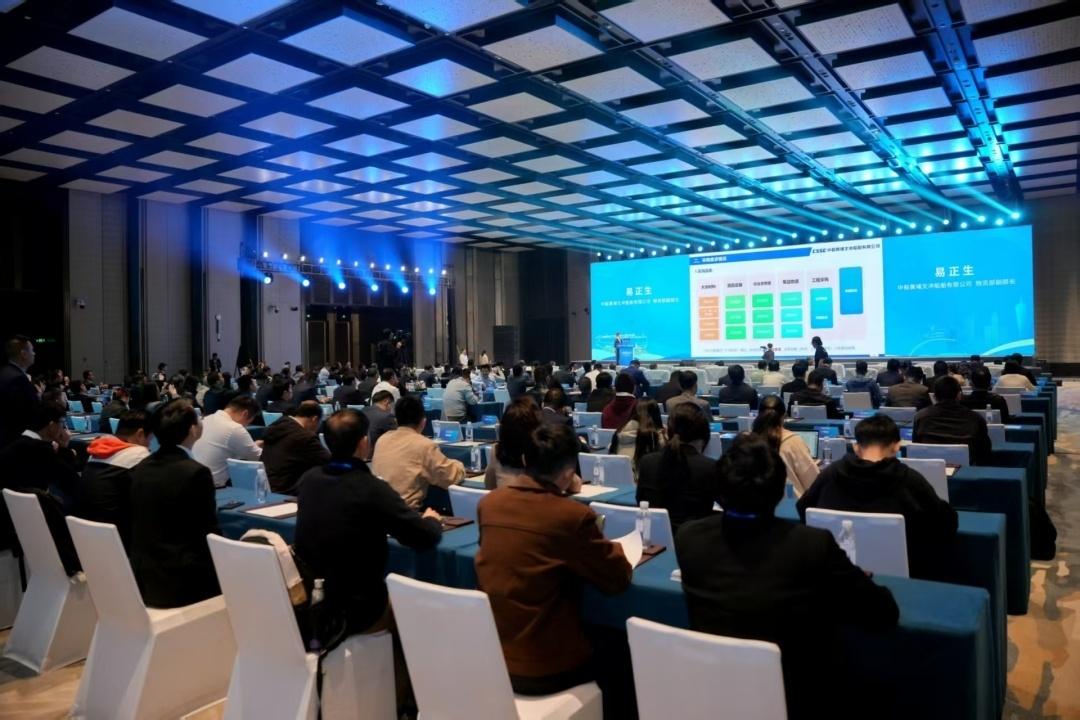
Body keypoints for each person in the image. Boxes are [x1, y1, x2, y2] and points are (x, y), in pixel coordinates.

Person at [677, 434, 898, 720]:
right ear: (781, 491)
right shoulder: (812, 545)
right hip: (798, 697)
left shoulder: (688, 537)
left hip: (711, 692)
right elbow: (882, 611)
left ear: (718, 489)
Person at [475, 423, 632, 696]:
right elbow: (617, 578)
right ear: (569, 473)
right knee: (619, 650)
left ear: (525, 460)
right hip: (545, 666)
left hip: (493, 653)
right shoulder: (571, 516)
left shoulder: (489, 504)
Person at [295, 409, 442, 637]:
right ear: (364, 443)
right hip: (357, 607)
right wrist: (432, 520)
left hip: (315, 598)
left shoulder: (308, 479)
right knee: (418, 608)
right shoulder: (371, 488)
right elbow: (422, 537)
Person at [798, 414, 958, 579]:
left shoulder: (830, 474)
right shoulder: (910, 480)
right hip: (904, 578)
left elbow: (803, 508)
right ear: (896, 447)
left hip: (835, 575)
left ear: (856, 447)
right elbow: (945, 524)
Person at [129, 399, 221, 608]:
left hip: (143, 577)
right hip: (180, 583)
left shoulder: (142, 466)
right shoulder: (195, 473)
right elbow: (208, 533)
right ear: (193, 430)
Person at [0, 401, 81, 561]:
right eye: (62, 423)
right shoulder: (40, 449)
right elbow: (71, 480)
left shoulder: (17, 443)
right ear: (51, 425)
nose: (64, 429)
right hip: (31, 524)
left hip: (12, 517)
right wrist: (65, 445)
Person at [371, 396, 465, 509]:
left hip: (377, 510)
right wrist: (459, 465)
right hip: (405, 514)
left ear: (396, 421)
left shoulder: (382, 440)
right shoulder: (424, 445)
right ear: (423, 422)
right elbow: (451, 477)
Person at [636, 403, 716, 531]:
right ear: (705, 434)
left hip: (653, 537)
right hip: (693, 539)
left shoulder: (647, 462)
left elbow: (640, 500)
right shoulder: (710, 467)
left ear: (668, 431)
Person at [76, 410, 151, 546]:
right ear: (140, 434)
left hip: (88, 539)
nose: (149, 445)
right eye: (150, 439)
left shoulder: (96, 452)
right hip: (121, 542)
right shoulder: (138, 455)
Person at [913, 377, 992, 466]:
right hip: (966, 471)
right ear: (959, 395)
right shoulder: (976, 419)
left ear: (934, 397)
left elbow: (916, 446)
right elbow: (985, 452)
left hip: (929, 469)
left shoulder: (920, 417)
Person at [751, 395, 818, 496]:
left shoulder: (747, 442)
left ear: (758, 415)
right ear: (784, 417)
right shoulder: (793, 441)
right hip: (792, 505)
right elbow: (813, 483)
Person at [260, 401, 330, 495]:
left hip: (265, 485)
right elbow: (328, 461)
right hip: (287, 490)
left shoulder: (278, 424)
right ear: (314, 419)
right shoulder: (305, 437)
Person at [192, 396, 262, 488]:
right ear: (245, 414)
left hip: (193, 481)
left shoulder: (206, 419)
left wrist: (253, 445)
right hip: (213, 487)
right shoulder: (234, 428)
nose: (246, 426)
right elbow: (258, 457)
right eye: (248, 422)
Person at [0, 336, 39, 447]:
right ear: (23, 354)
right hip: (16, 443)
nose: (34, 353)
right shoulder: (18, 379)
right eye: (32, 350)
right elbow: (27, 416)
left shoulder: (4, 373)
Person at [611, 399, 665, 476]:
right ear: (656, 416)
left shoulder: (619, 432)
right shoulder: (655, 437)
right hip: (643, 479)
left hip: (617, 477)